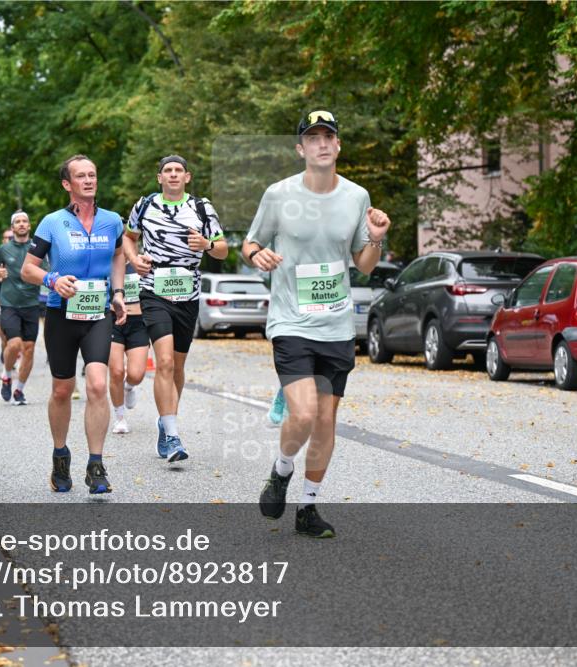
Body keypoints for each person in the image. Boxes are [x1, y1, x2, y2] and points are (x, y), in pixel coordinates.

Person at [242, 110, 391, 538]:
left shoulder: (357, 197)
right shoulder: (278, 194)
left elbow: (363, 264)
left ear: (338, 146)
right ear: (301, 148)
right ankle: (281, 469)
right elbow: (252, 242)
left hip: (337, 325)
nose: (322, 144)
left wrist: (377, 236)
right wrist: (258, 256)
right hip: (291, 320)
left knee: (325, 419)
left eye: (329, 137)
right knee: (304, 412)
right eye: (313, 138)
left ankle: (308, 507)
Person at [21, 154, 127, 495]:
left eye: (93, 175)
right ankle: (60, 456)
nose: (89, 180)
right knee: (62, 390)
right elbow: (28, 269)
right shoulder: (52, 222)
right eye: (81, 176)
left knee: (97, 385)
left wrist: (120, 291)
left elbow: (118, 255)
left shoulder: (112, 221)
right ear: (67, 184)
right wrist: (52, 280)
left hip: (98, 313)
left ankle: (96, 465)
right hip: (60, 315)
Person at [123, 155, 228, 463]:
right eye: (167, 171)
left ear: (187, 177)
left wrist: (206, 245)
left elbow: (222, 250)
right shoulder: (144, 205)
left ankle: (165, 421)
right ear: (160, 178)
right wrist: (134, 259)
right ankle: (172, 434)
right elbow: (128, 239)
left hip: (188, 293)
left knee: (178, 367)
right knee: (164, 362)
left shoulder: (201, 208)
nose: (172, 175)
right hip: (153, 289)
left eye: (178, 171)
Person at [0, 211, 41, 405]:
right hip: (9, 303)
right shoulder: (4, 249)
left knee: (29, 349)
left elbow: (48, 269)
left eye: (24, 221)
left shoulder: (38, 248)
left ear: (29, 226)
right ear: (12, 227)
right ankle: (6, 374)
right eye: (17, 222)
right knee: (15, 344)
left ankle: (19, 390)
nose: (21, 224)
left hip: (31, 304)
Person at [108, 262, 148, 434]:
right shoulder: (107, 261)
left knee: (136, 374)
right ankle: (120, 418)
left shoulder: (143, 262)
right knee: (116, 371)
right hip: (112, 320)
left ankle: (129, 387)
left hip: (138, 322)